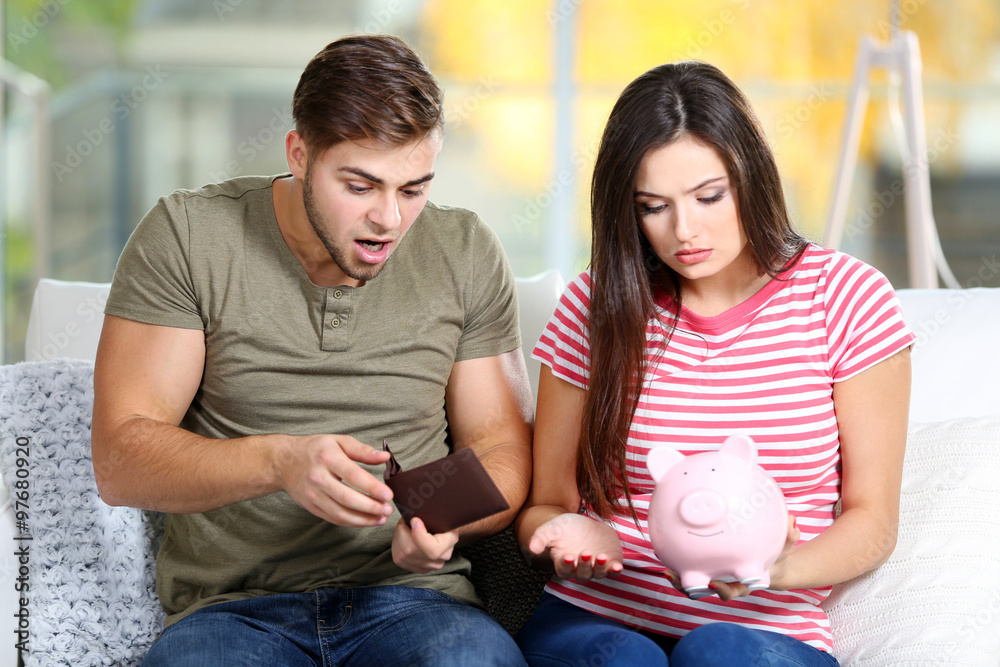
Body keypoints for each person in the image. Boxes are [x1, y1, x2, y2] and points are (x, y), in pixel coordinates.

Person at [91, 34, 532, 667]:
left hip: (416, 600)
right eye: (360, 186)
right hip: (234, 612)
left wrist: (442, 524)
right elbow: (120, 458)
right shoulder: (188, 236)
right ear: (299, 154)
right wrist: (278, 462)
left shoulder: (463, 250)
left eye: (413, 189)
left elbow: (502, 445)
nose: (389, 219)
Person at [513, 61, 915, 666]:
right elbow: (546, 504)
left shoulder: (846, 297)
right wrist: (566, 540)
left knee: (716, 650)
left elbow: (873, 521)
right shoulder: (595, 306)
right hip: (598, 618)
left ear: (751, 177)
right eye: (653, 206)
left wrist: (772, 570)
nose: (684, 230)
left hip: (766, 635)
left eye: (709, 197)